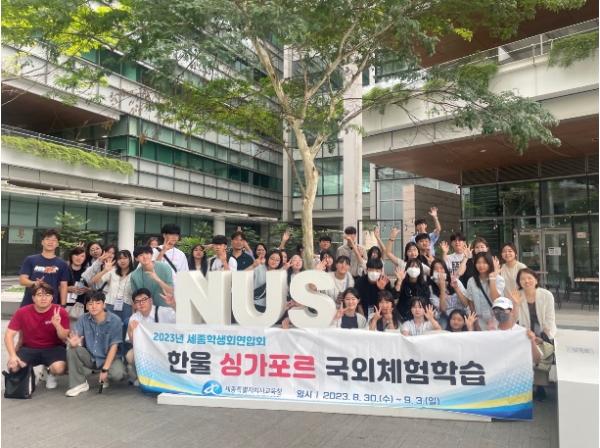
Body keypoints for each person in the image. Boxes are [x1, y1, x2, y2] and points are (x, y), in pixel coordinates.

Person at [5, 282, 70, 389]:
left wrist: (57, 325)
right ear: (33, 298)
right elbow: (8, 335)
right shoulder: (22, 312)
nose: (43, 298)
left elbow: (64, 337)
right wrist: (13, 355)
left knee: (59, 368)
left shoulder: (60, 312)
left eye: (47, 295)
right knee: (13, 367)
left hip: (54, 348)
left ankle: (49, 372)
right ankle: (29, 374)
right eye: (39, 295)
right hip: (29, 348)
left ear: (52, 297)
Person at [65, 291, 125, 397]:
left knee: (118, 373)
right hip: (91, 357)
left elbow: (114, 347)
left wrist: (105, 369)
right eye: (90, 303)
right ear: (86, 306)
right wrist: (74, 344)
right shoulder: (83, 319)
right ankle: (79, 384)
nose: (94, 306)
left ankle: (104, 376)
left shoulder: (115, 320)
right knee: (72, 349)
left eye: (97, 303)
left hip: (109, 358)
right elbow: (76, 337)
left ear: (104, 304)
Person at [510, 268, 557, 400]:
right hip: (524, 333)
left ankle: (540, 387)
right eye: (522, 279)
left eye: (529, 278)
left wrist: (541, 337)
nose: (526, 281)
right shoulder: (517, 295)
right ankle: (524, 387)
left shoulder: (546, 295)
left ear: (536, 280)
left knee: (539, 353)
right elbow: (513, 320)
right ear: (519, 282)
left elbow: (550, 319)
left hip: (543, 333)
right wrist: (516, 304)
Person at [126, 288, 176, 385]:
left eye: (144, 299)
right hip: (146, 349)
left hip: (165, 349)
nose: (141, 303)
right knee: (130, 355)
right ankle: (142, 377)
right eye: (137, 301)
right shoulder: (134, 318)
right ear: (134, 305)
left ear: (151, 300)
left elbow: (181, 317)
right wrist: (131, 331)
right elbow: (133, 343)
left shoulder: (162, 311)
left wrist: (173, 304)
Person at [19, 228, 69, 307]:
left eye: (54, 240)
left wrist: (63, 305)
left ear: (57, 244)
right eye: (47, 239)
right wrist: (34, 283)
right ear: (42, 242)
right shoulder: (30, 260)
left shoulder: (62, 264)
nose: (50, 242)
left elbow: (63, 286)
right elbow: (22, 280)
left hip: (51, 305)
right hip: (30, 303)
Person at [92, 249, 135, 331]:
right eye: (120, 258)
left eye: (125, 258)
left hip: (127, 306)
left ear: (130, 259)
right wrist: (105, 270)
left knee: (124, 330)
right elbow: (94, 281)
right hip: (110, 304)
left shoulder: (135, 274)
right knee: (109, 330)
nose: (122, 261)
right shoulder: (112, 271)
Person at [465, 252, 505, 330]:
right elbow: (471, 302)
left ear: (490, 264)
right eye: (478, 263)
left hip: (496, 319)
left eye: (484, 263)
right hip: (480, 320)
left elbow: (496, 299)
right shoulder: (471, 281)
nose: (481, 265)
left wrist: (492, 278)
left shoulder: (499, 279)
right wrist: (475, 322)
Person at [66, 247, 91, 312]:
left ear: (85, 259)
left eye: (82, 256)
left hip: (80, 307)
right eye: (76, 255)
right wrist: (67, 288)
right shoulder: (64, 269)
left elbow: (94, 289)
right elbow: (54, 287)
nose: (79, 258)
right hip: (64, 305)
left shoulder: (87, 272)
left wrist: (87, 290)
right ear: (71, 256)